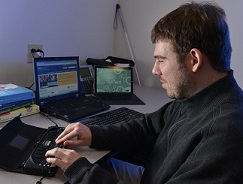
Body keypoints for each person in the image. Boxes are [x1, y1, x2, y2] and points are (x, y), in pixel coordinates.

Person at [45, 1, 243, 183]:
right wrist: (93, 134)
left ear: (194, 60)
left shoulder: (224, 135)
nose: (155, 70)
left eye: (161, 60)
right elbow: (147, 128)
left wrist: (82, 173)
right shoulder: (195, 97)